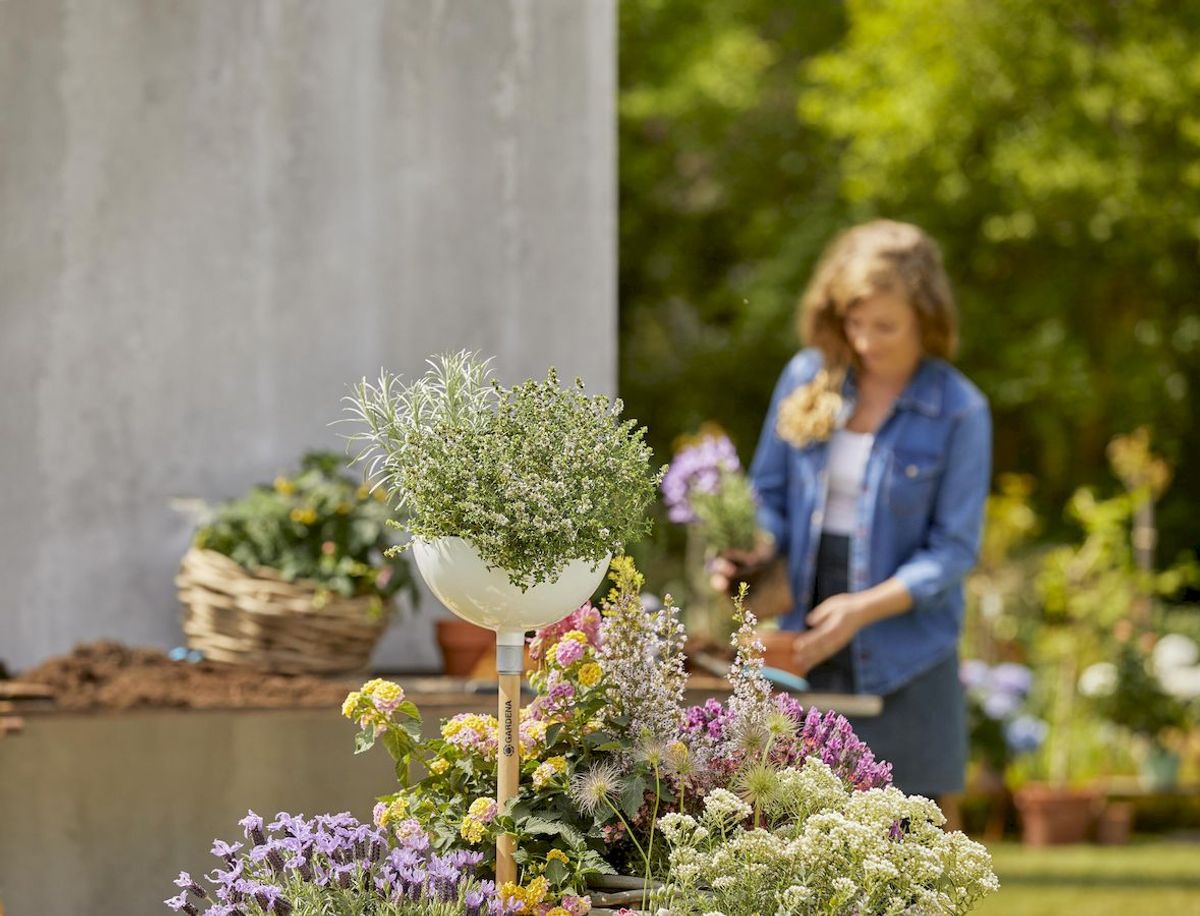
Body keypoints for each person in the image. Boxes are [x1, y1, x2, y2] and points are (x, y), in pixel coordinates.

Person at [712, 220, 991, 811]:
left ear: (926, 316)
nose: (865, 341)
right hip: (802, 639)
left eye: (885, 325)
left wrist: (861, 611)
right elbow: (771, 496)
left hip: (904, 652)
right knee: (791, 828)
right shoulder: (807, 377)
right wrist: (752, 548)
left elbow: (953, 551)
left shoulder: (960, 410)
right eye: (853, 322)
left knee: (915, 843)